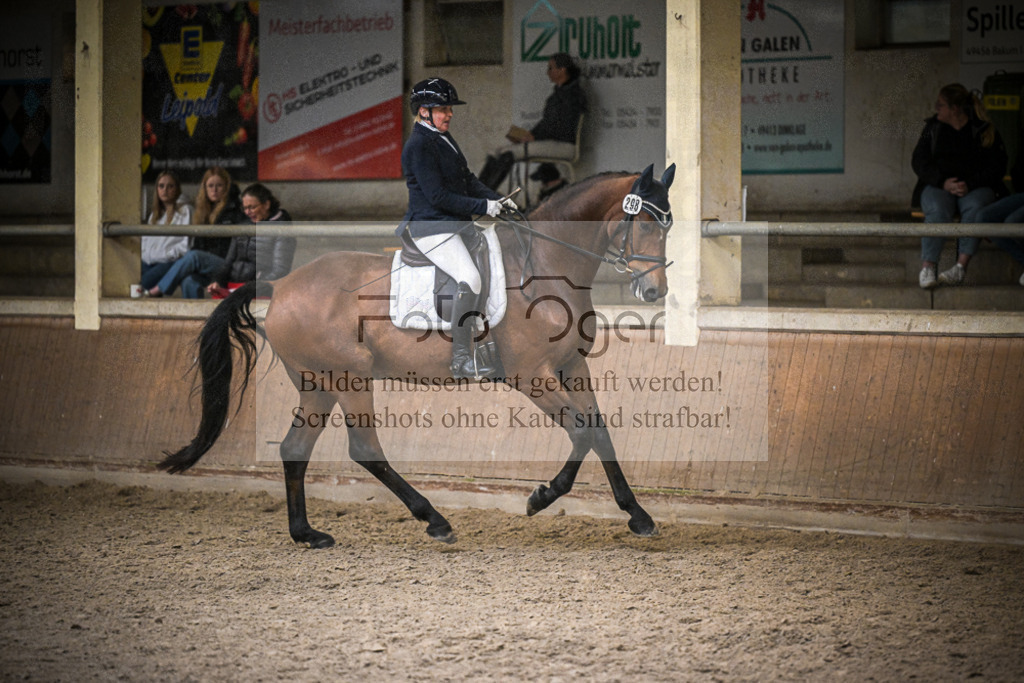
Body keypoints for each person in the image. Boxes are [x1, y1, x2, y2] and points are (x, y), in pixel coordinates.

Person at [398, 77, 515, 379]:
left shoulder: (443, 137)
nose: (448, 114)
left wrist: (497, 199)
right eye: (442, 109)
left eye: (449, 109)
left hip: (453, 225)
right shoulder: (419, 145)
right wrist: (482, 208)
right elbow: (438, 197)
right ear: (423, 111)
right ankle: (461, 359)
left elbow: (467, 180)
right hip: (431, 228)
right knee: (471, 277)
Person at [911, 83, 1008, 289]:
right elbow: (919, 161)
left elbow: (997, 166)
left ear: (955, 109)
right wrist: (942, 182)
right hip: (940, 186)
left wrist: (970, 184)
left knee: (976, 209)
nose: (937, 108)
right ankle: (928, 267)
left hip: (974, 187)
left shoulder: (983, 128)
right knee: (936, 210)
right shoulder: (933, 128)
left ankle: (960, 267)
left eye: (941, 105)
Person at [478, 53, 587, 200]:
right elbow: (546, 123)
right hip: (551, 141)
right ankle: (479, 192)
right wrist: (527, 136)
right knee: (497, 152)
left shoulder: (573, 95)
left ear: (562, 70)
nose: (547, 72)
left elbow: (560, 127)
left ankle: (486, 195)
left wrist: (535, 137)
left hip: (564, 144)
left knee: (508, 154)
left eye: (550, 68)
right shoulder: (559, 93)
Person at [146, 167, 247, 298]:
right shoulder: (202, 212)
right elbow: (198, 244)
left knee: (194, 256)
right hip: (208, 266)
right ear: (204, 188)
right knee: (189, 280)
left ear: (227, 187)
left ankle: (159, 289)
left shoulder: (236, 210)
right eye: (210, 186)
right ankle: (193, 318)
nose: (214, 190)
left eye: (219, 186)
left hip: (228, 265)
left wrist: (204, 259)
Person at [206, 183, 296, 298]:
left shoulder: (282, 228)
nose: (248, 212)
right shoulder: (243, 224)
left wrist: (254, 287)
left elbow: (280, 270)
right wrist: (217, 281)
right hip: (233, 288)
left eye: (252, 207)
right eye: (245, 208)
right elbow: (228, 262)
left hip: (260, 291)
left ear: (267, 204)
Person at [140, 171, 191, 290]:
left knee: (142, 284)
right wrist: (146, 256)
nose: (165, 190)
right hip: (148, 262)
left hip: (169, 262)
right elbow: (145, 241)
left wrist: (166, 255)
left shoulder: (185, 211)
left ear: (177, 189)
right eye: (161, 186)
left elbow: (186, 245)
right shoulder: (154, 215)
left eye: (170, 186)